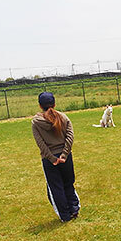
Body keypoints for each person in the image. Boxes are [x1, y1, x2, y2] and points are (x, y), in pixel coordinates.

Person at [31, 92, 80, 222]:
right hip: (66, 158)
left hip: (49, 160)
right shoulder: (64, 118)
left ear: (40, 106)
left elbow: (40, 143)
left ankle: (65, 215)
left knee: (55, 188)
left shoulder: (36, 122)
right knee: (68, 183)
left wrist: (52, 158)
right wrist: (64, 155)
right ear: (54, 104)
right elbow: (70, 137)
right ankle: (74, 209)